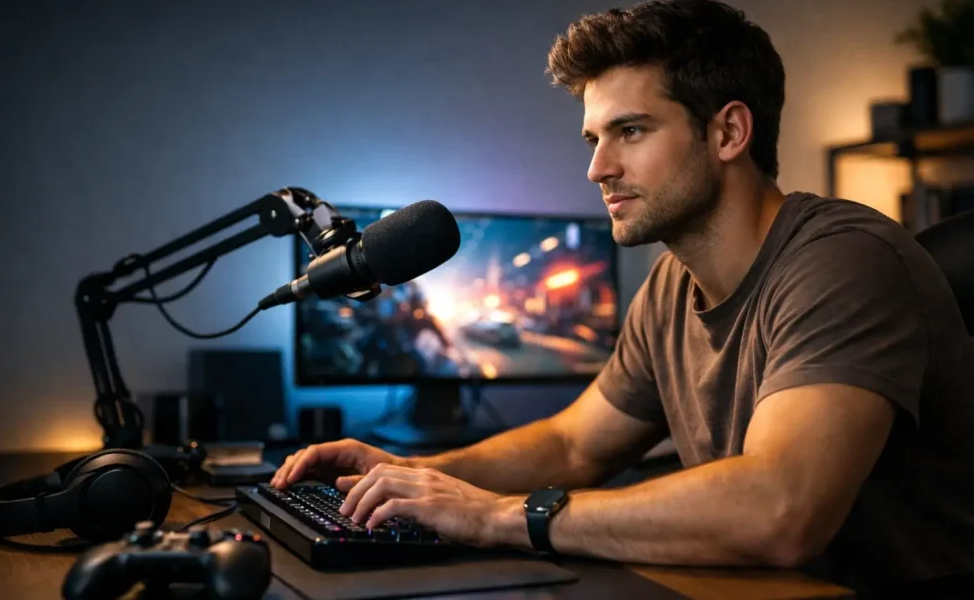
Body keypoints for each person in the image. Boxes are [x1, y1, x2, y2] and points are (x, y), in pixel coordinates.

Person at [273, 1, 974, 597]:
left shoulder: (843, 261)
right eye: (593, 137)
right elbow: (574, 444)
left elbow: (781, 510)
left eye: (630, 132)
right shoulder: (672, 282)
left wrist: (497, 516)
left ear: (728, 132)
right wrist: (413, 475)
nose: (597, 168)